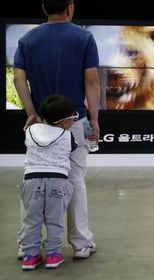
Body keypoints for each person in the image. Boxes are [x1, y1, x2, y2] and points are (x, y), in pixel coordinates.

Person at [13, 0, 100, 259]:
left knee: (33, 182)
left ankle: (26, 245)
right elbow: (92, 80)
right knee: (74, 180)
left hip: (40, 124)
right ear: (70, 7)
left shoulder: (28, 39)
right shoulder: (84, 37)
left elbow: (18, 78)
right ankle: (81, 244)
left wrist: (31, 113)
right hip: (73, 123)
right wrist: (94, 118)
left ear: (43, 8)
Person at [21, 95, 78, 270]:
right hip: (57, 181)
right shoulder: (67, 135)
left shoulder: (31, 130)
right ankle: (53, 255)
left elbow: (27, 136)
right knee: (54, 219)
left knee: (32, 220)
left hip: (31, 180)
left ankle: (30, 256)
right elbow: (73, 148)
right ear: (66, 122)